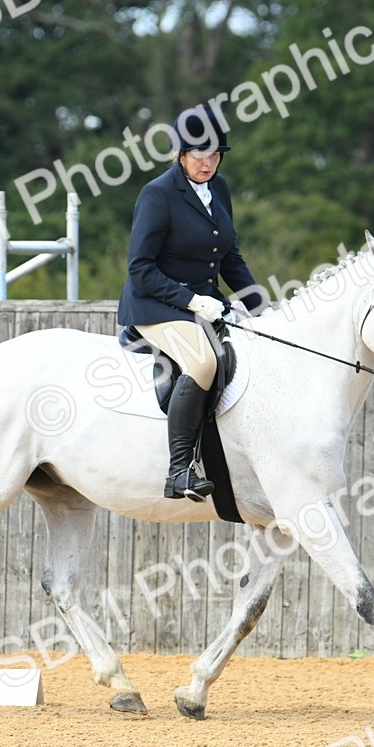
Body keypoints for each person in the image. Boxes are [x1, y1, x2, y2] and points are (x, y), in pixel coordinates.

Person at [117, 105, 266, 502]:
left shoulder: (220, 189)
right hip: (155, 306)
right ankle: (179, 471)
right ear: (181, 154)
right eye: (200, 155)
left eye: (216, 155)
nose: (209, 162)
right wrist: (192, 300)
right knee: (203, 361)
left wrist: (260, 305)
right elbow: (140, 268)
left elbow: (230, 256)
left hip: (204, 303)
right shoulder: (158, 194)